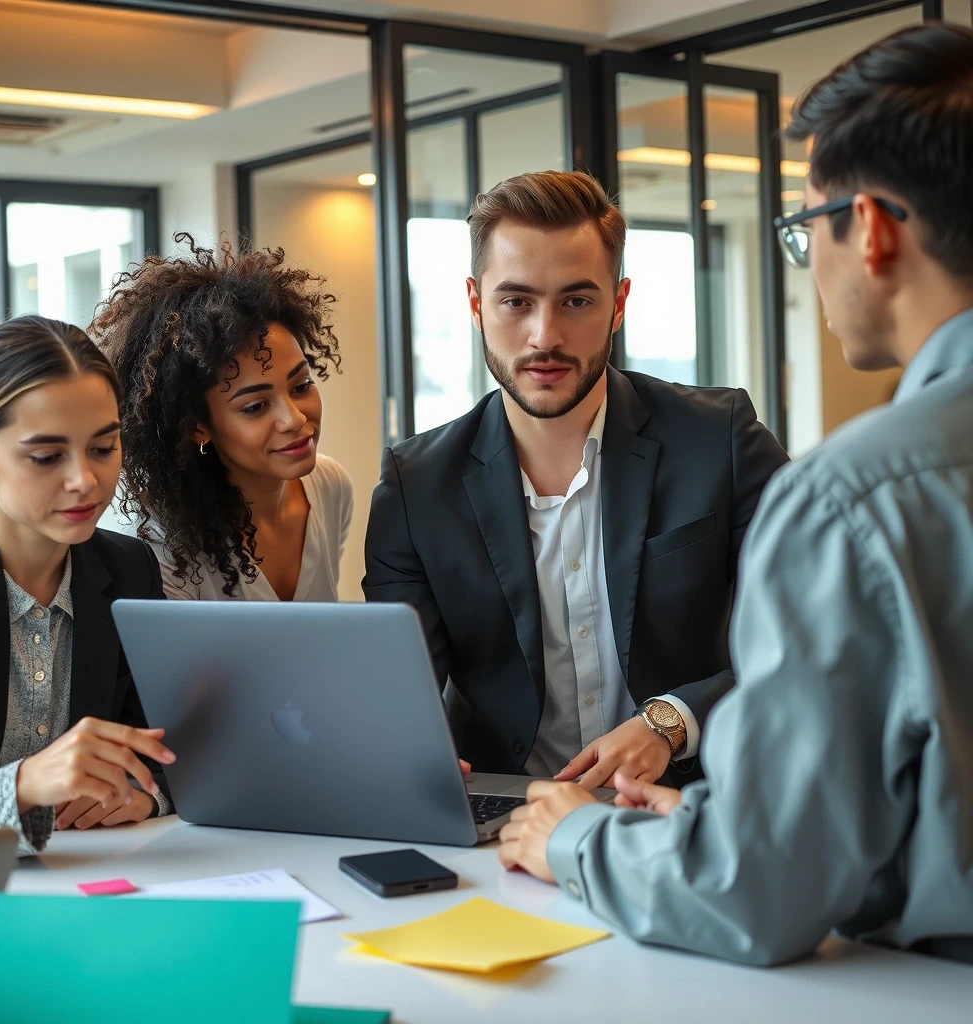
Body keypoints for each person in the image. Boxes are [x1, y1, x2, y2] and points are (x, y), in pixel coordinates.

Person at [497, 23, 973, 966]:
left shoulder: (854, 498)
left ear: (870, 230)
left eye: (803, 229)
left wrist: (576, 840)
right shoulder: (420, 473)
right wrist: (731, 819)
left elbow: (755, 897)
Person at [364, 171, 788, 786]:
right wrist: (406, 751)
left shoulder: (720, 440)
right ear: (476, 304)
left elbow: (806, 626)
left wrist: (671, 721)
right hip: (505, 816)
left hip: (692, 814)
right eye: (516, 302)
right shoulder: (416, 485)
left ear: (618, 304)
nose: (545, 336)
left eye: (576, 300)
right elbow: (397, 691)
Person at [0, 316, 175, 855]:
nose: (85, 480)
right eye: (47, 456)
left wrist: (147, 795)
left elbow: (169, 742)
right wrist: (25, 784)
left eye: (103, 448)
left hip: (91, 880)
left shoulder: (129, 571)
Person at [91, 234, 352, 603]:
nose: (294, 419)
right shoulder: (158, 540)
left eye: (301, 385)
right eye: (255, 407)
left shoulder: (330, 487)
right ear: (197, 426)